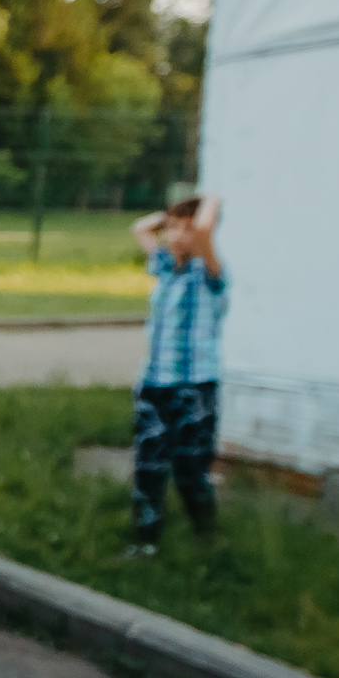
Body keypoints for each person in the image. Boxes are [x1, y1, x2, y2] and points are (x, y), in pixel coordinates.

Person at [129, 194, 227, 554]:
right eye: (172, 229)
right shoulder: (165, 268)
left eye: (186, 229)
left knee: (190, 468)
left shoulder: (210, 273)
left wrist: (211, 199)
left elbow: (203, 231)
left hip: (194, 387)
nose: (178, 236)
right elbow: (140, 228)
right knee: (149, 465)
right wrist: (168, 218)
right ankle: (146, 542)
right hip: (155, 383)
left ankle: (207, 537)